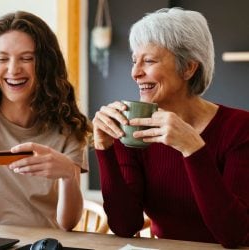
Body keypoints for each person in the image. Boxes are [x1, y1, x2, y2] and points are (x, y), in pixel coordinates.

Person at [93, 7, 249, 248]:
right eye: (135, 61)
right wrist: (105, 148)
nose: (135, 72)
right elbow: (125, 225)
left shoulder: (240, 128)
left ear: (188, 68)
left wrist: (193, 148)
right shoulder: (134, 131)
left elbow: (234, 234)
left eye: (149, 61)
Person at [0, 11, 92, 230]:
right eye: (2, 58)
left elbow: (67, 224)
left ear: (46, 64)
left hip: (43, 244)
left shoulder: (68, 127)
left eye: (27, 58)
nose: (13, 70)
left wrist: (69, 174)